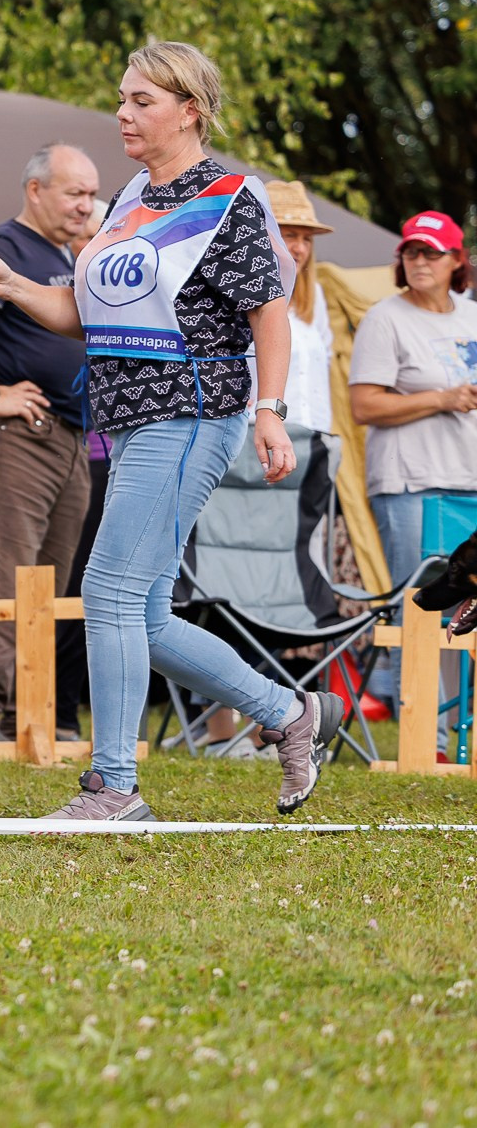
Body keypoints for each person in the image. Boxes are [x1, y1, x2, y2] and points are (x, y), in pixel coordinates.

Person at [0, 40, 343, 821]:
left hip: (191, 414)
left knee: (106, 589)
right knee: (146, 614)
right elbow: (84, 315)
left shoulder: (231, 194)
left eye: (143, 101)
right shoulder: (132, 197)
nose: (124, 113)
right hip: (124, 423)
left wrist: (269, 410)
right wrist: (14, 286)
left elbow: (271, 308)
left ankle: (113, 786)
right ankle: (291, 713)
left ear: (190, 111)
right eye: (123, 99)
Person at [0, 142, 100, 742]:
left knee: (49, 584)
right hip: (20, 433)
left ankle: (23, 713)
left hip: (71, 434)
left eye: (91, 193)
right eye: (74, 192)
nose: (87, 204)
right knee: (7, 577)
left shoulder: (60, 250)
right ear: (36, 191)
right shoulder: (5, 244)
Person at [201, 180, 339, 756]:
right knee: (231, 581)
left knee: (289, 579)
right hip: (249, 448)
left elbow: (322, 382)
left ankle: (279, 721)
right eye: (287, 233)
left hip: (308, 457)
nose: (298, 247)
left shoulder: (315, 302)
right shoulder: (243, 285)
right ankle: (220, 731)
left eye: (305, 236)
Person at [347, 210, 477, 750]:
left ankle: (461, 735)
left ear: (456, 261)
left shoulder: (473, 315)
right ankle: (426, 741)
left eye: (431, 252)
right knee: (426, 607)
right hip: (412, 485)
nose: (419, 261)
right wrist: (440, 399)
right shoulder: (386, 318)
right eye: (411, 252)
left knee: (471, 611)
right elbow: (362, 405)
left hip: (471, 482)